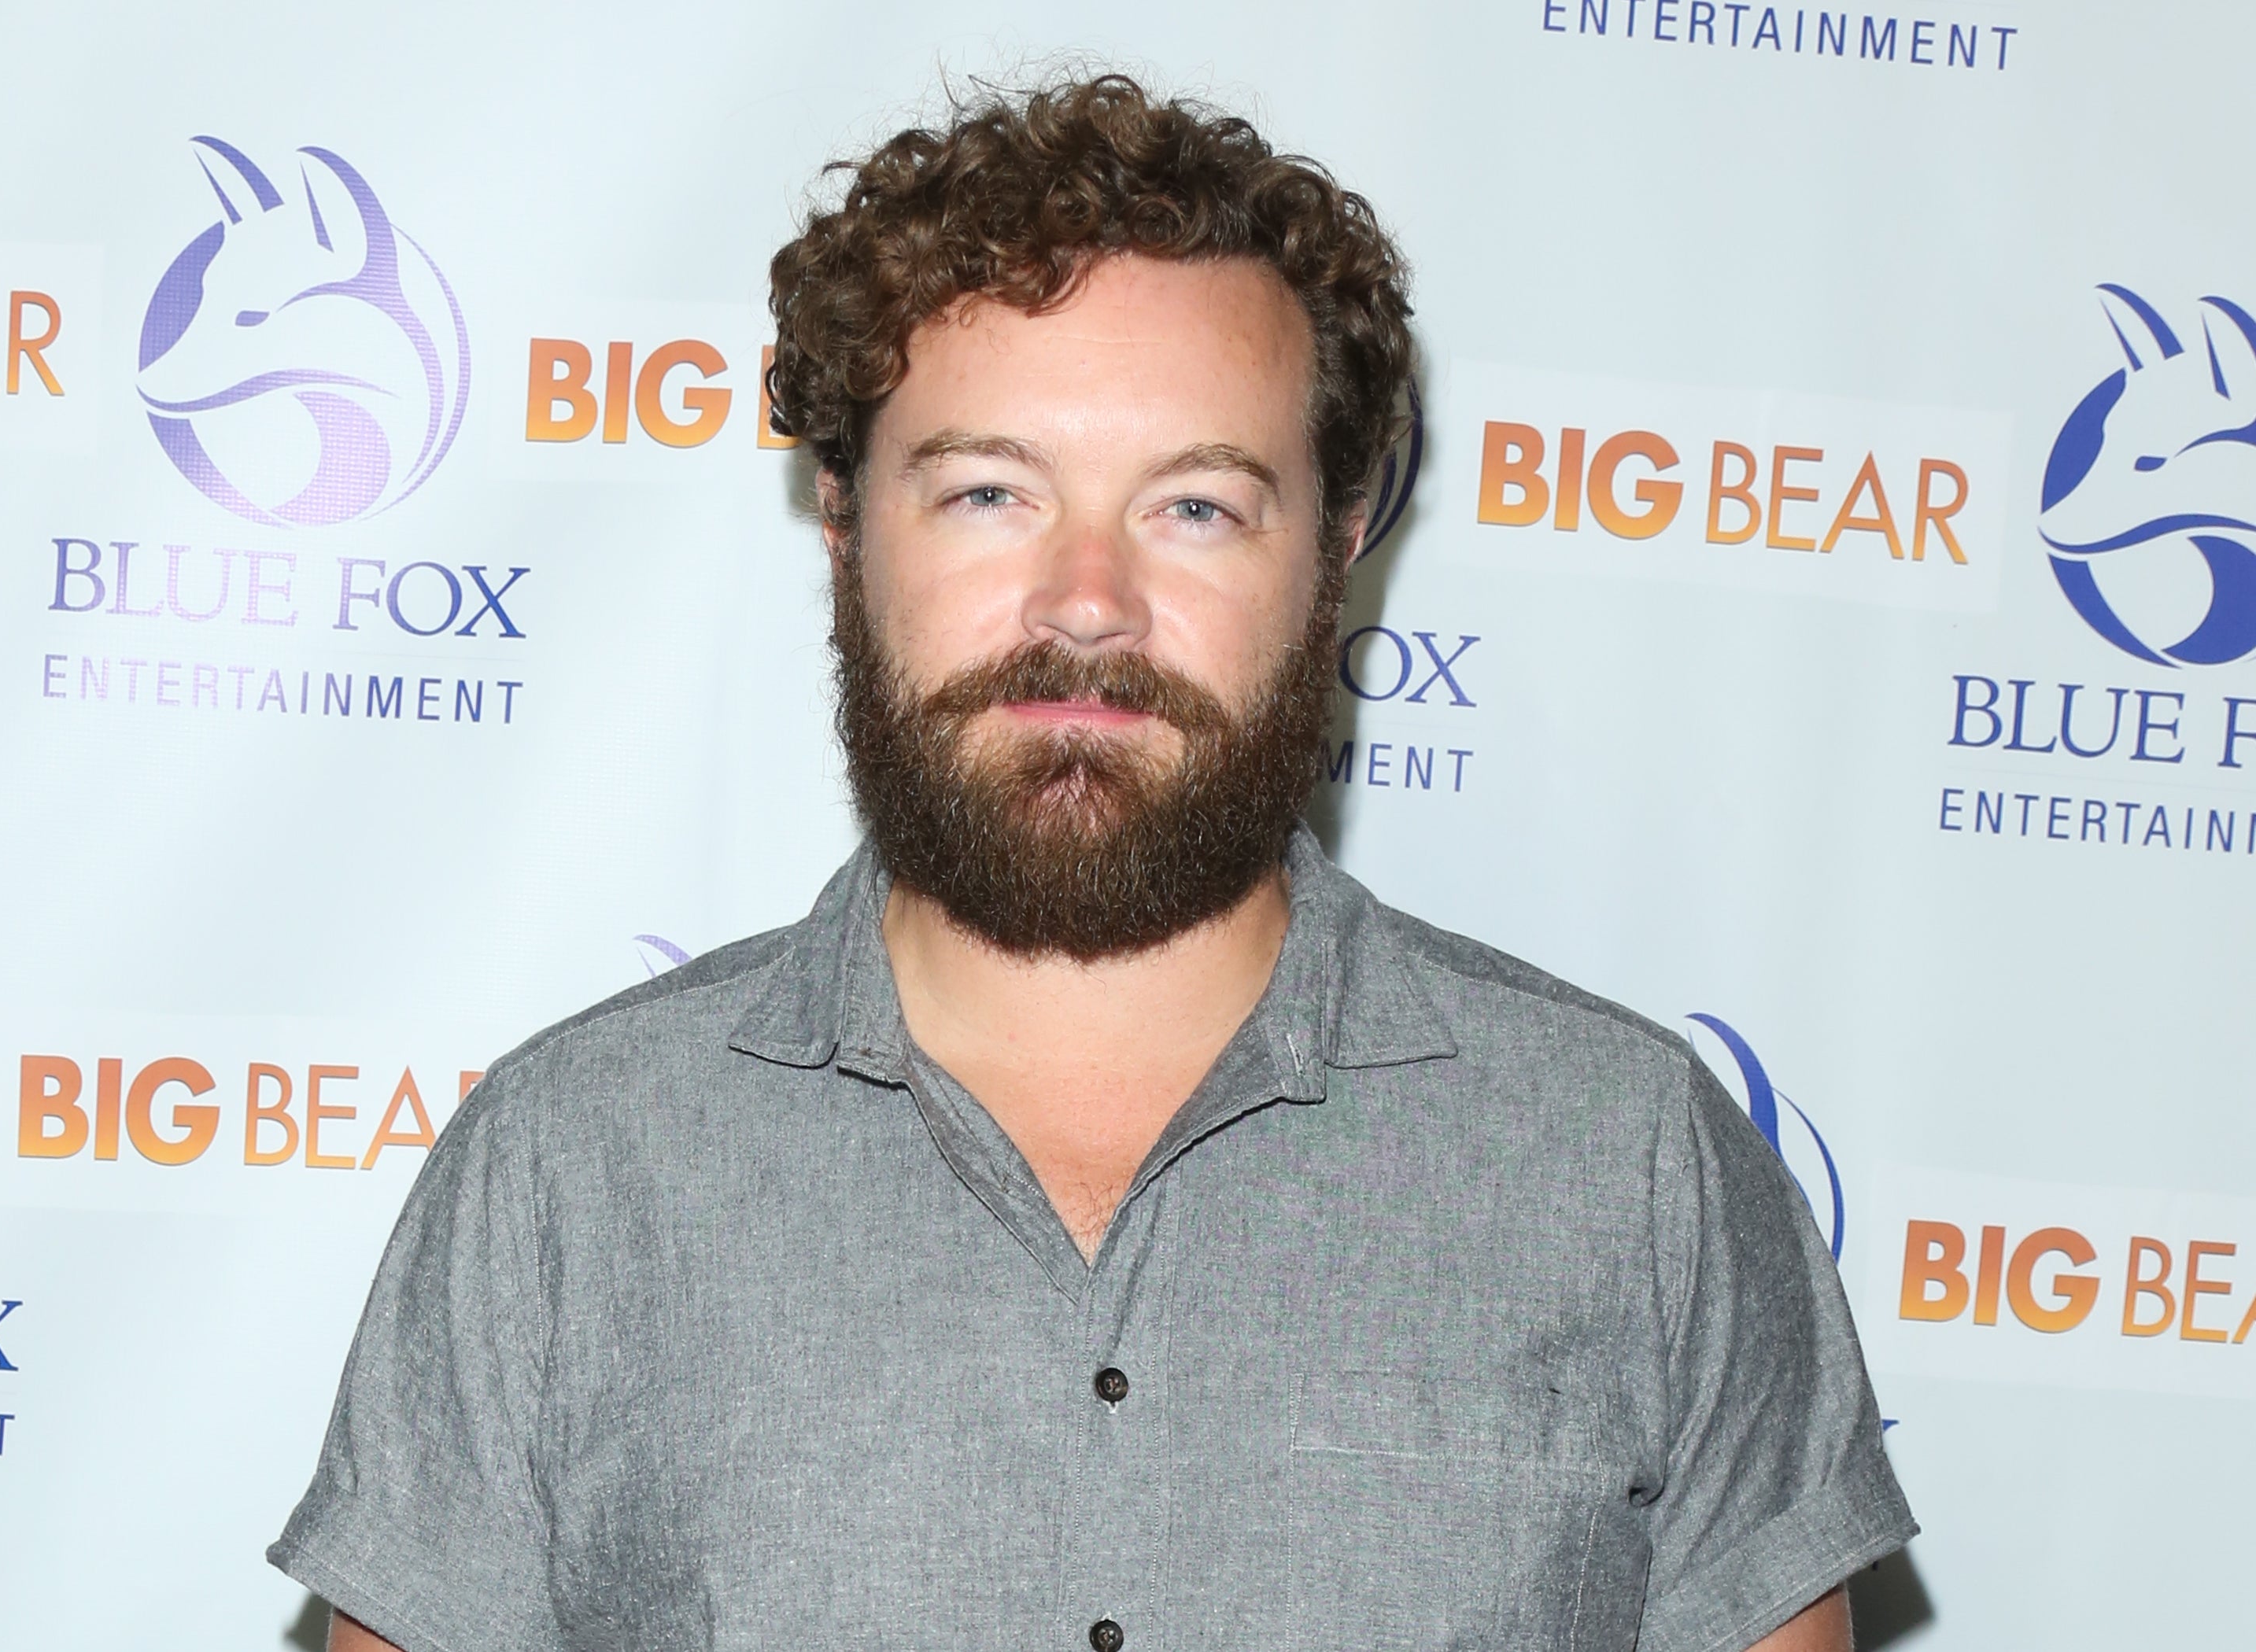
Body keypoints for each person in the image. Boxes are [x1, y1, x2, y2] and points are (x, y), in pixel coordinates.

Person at [271, 73, 1914, 1652]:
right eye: (991, 492)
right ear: (843, 523)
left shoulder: (1634, 1167)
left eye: (1194, 507)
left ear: (1338, 545)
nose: (1086, 603)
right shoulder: (566, 1174)